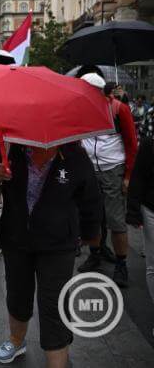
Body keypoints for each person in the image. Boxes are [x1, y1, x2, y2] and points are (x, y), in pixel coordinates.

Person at [0, 143, 101, 367]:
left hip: (58, 245)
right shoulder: (11, 146)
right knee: (18, 293)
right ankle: (16, 341)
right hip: (16, 238)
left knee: (54, 303)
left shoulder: (74, 154)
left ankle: (57, 359)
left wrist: (90, 235)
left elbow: (91, 198)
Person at [78, 73, 137, 287]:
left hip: (113, 169)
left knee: (115, 220)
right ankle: (96, 253)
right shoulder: (80, 109)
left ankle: (121, 264)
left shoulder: (119, 109)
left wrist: (128, 176)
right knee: (93, 217)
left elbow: (132, 144)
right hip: (89, 169)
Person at [127, 135, 154, 312]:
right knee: (153, 266)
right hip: (151, 210)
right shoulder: (149, 144)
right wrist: (134, 211)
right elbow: (138, 177)